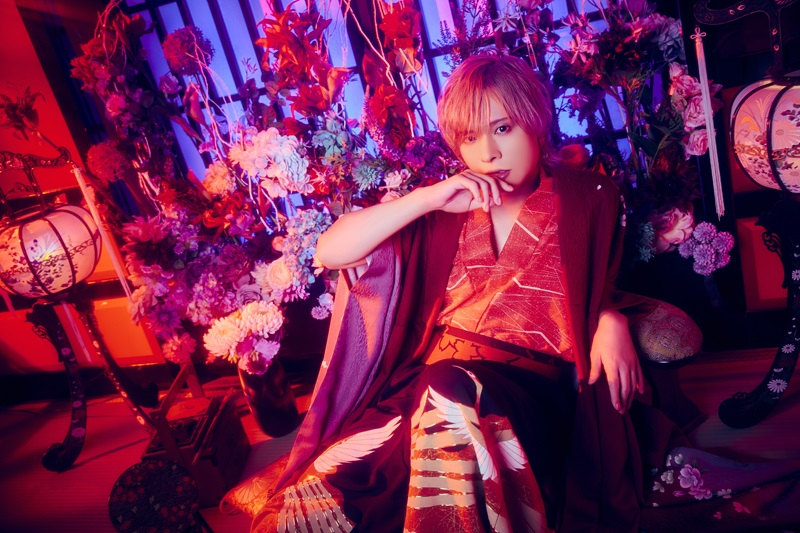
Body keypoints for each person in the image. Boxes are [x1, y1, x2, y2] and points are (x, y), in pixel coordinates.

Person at [229, 54, 800, 532]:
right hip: (425, 393)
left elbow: (595, 281)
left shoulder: (588, 195)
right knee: (303, 510)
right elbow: (331, 251)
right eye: (469, 137)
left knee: (448, 389)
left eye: (503, 129)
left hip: (527, 396)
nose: (488, 154)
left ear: (536, 121)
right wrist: (427, 198)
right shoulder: (444, 205)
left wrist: (609, 317)